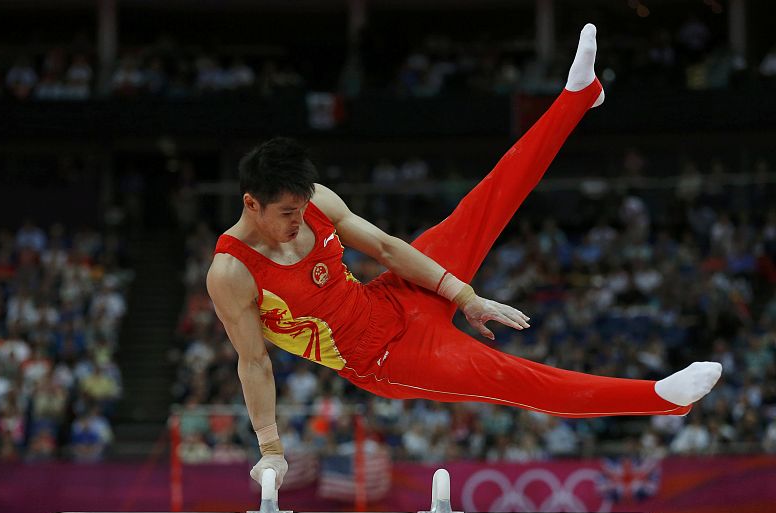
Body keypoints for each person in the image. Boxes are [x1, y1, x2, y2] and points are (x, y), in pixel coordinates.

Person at [206, 25, 722, 488]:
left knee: (487, 200)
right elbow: (254, 361)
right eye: (286, 213)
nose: (298, 221)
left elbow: (385, 248)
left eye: (301, 208)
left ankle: (579, 95)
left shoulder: (316, 202)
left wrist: (464, 295)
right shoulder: (232, 272)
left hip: (393, 295)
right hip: (384, 359)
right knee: (514, 379)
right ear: (251, 204)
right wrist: (271, 448)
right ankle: (660, 398)